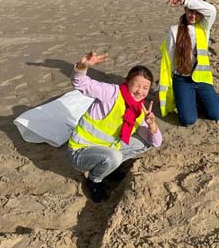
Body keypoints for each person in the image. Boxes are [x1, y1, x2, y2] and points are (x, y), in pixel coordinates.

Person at [68, 51, 162, 202]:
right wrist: (82, 66)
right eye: (136, 85)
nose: (140, 91)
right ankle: (94, 180)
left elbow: (157, 142)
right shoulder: (111, 93)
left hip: (106, 149)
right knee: (114, 156)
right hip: (81, 151)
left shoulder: (139, 110)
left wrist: (152, 126)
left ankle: (108, 167)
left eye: (145, 88)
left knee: (147, 141)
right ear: (127, 81)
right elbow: (80, 83)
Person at [159, 0, 219, 126]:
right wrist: (171, 87)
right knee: (188, 120)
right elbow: (170, 60)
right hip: (182, 80)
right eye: (190, 11)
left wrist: (184, 0)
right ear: (185, 10)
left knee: (217, 114)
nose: (193, 15)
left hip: (202, 79)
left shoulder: (204, 28)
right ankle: (186, 97)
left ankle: (197, 98)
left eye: (197, 12)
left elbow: (212, 10)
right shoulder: (174, 30)